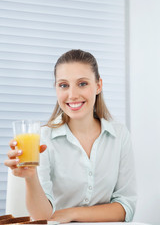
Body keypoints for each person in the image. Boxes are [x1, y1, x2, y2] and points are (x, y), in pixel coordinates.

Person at [5, 49, 137, 223]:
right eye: (63, 85)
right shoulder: (43, 138)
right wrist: (31, 177)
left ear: (98, 86)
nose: (72, 95)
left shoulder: (119, 135)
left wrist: (71, 213)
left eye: (82, 83)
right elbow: (42, 217)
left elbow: (126, 207)